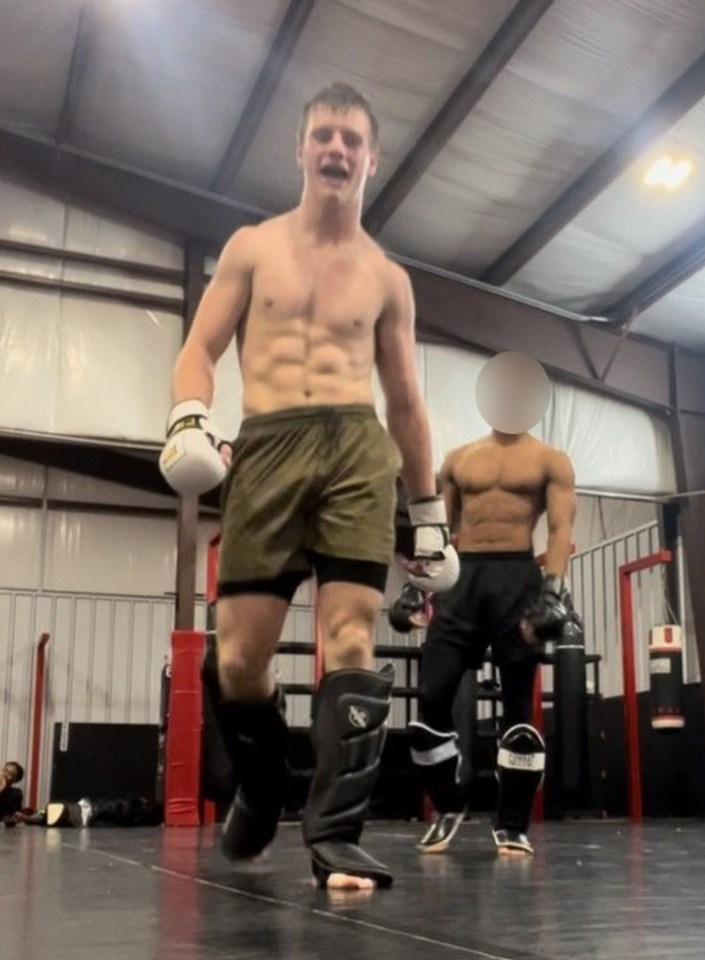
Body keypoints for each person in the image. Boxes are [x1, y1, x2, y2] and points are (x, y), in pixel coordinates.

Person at [159, 82, 457, 891]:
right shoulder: (253, 246)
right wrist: (189, 416)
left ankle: (335, 837)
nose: (336, 149)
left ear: (371, 158)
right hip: (267, 445)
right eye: (323, 135)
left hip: (358, 453)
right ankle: (263, 785)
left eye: (351, 140)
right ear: (300, 149)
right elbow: (199, 349)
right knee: (241, 664)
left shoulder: (389, 279)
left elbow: (405, 402)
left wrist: (427, 514)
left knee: (353, 637)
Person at [396, 352, 578, 856]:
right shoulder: (458, 459)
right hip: (461, 579)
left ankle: (512, 823)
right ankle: (449, 804)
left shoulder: (551, 461)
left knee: (518, 708)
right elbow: (441, 531)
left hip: (517, 575)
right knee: (432, 698)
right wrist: (418, 587)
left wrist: (553, 590)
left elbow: (562, 528)